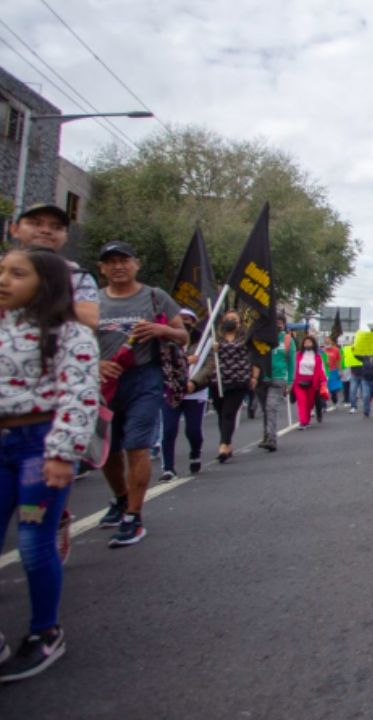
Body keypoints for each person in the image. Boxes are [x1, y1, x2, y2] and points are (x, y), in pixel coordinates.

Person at [0, 248, 98, 682]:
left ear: (47, 283)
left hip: (39, 450)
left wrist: (61, 453)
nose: (4, 280)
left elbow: (79, 396)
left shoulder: (70, 334)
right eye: (2, 271)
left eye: (17, 273)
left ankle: (45, 631)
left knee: (33, 541)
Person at [95, 241, 187, 547]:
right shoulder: (92, 302)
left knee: (137, 444)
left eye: (124, 260)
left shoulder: (155, 297)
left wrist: (163, 331)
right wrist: (95, 364)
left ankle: (133, 517)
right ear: (102, 268)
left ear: (136, 264)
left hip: (144, 378)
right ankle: (121, 498)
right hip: (105, 381)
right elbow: (75, 342)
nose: (118, 266)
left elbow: (183, 335)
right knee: (107, 450)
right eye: (111, 262)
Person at [188, 310, 255, 463]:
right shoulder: (215, 338)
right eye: (228, 318)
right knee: (221, 413)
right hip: (218, 381)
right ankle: (228, 442)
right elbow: (204, 357)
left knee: (228, 413)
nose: (231, 321)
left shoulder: (246, 339)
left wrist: (254, 376)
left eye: (234, 319)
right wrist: (213, 349)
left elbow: (253, 357)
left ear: (239, 323)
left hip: (238, 380)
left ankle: (223, 445)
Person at [159, 309, 207, 481]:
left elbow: (208, 367)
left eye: (187, 319)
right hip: (171, 391)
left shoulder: (202, 342)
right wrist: (186, 361)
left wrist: (194, 383)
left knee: (193, 430)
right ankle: (168, 468)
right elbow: (162, 363)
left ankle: (195, 452)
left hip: (194, 392)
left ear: (193, 322)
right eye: (180, 319)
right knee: (168, 429)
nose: (184, 322)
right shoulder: (164, 342)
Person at [256, 317, 291, 451]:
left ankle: (271, 439)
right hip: (261, 378)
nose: (277, 326)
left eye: (280, 324)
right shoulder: (261, 338)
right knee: (265, 409)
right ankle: (266, 435)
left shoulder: (287, 340)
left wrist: (290, 381)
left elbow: (291, 362)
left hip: (278, 378)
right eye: (274, 323)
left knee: (271, 407)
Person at [292, 335, 327, 429]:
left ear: (313, 344)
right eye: (305, 342)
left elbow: (321, 370)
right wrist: (291, 380)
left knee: (309, 403)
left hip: (312, 382)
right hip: (299, 381)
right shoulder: (298, 355)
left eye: (309, 342)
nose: (307, 344)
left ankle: (306, 420)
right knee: (302, 402)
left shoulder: (317, 357)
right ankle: (303, 422)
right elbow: (293, 367)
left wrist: (323, 381)